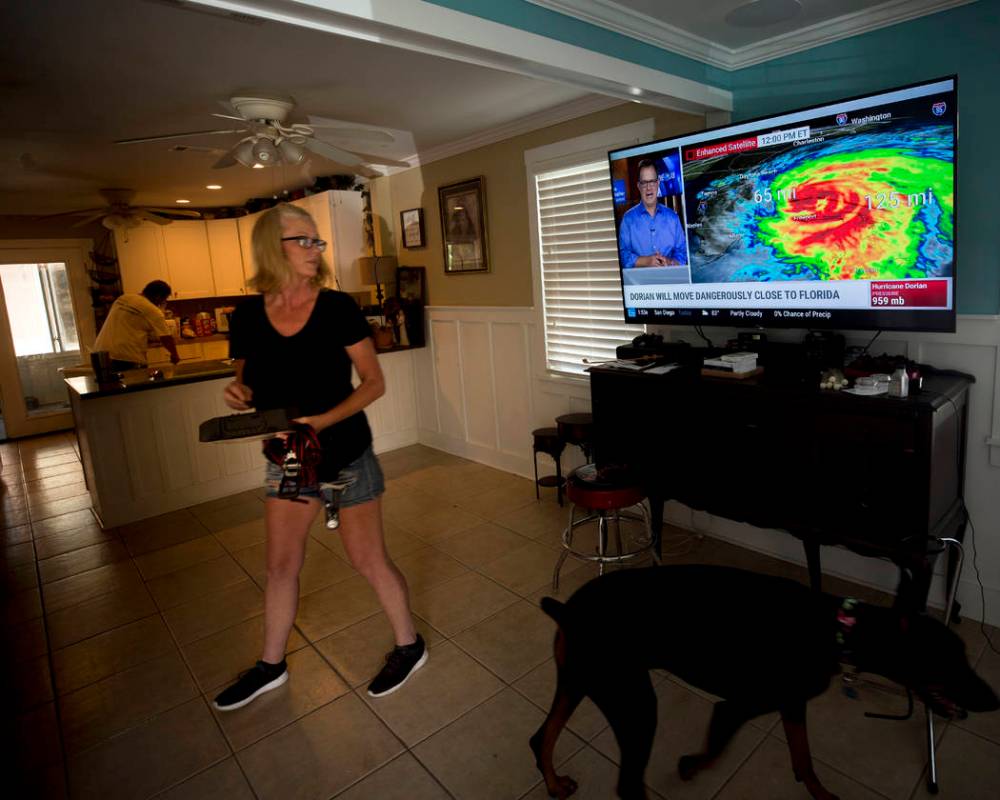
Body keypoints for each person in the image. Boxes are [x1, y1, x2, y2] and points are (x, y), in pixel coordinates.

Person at [212, 203, 425, 711]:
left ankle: (409, 645)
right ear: (273, 248)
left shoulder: (337, 308)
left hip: (347, 453)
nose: (315, 249)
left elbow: (374, 383)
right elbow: (243, 381)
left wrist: (324, 421)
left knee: (367, 558)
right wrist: (237, 394)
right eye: (303, 240)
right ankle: (271, 666)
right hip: (289, 458)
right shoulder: (245, 316)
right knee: (281, 565)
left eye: (317, 241)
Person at [93, 280, 180, 370]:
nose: (162, 303)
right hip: (125, 357)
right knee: (137, 382)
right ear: (158, 297)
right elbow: (166, 338)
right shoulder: (153, 310)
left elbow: (128, 325)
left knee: (106, 384)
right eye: (163, 299)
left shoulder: (123, 298)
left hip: (100, 355)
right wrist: (175, 355)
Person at [618, 159, 688, 268]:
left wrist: (670, 262)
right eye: (644, 182)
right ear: (638, 186)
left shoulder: (673, 218)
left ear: (658, 183)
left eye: (652, 181)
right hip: (638, 283)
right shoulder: (628, 219)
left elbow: (683, 253)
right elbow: (623, 255)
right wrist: (646, 261)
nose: (648, 187)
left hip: (670, 282)